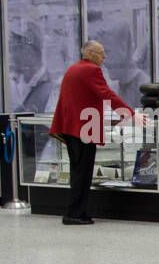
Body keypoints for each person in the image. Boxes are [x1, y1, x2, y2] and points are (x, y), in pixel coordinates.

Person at [48, 40, 145, 225]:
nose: (104, 56)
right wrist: (131, 114)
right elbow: (107, 95)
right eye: (101, 53)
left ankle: (74, 211)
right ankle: (75, 214)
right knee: (83, 173)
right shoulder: (92, 71)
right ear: (90, 53)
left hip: (70, 127)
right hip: (84, 128)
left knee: (77, 172)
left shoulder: (73, 69)